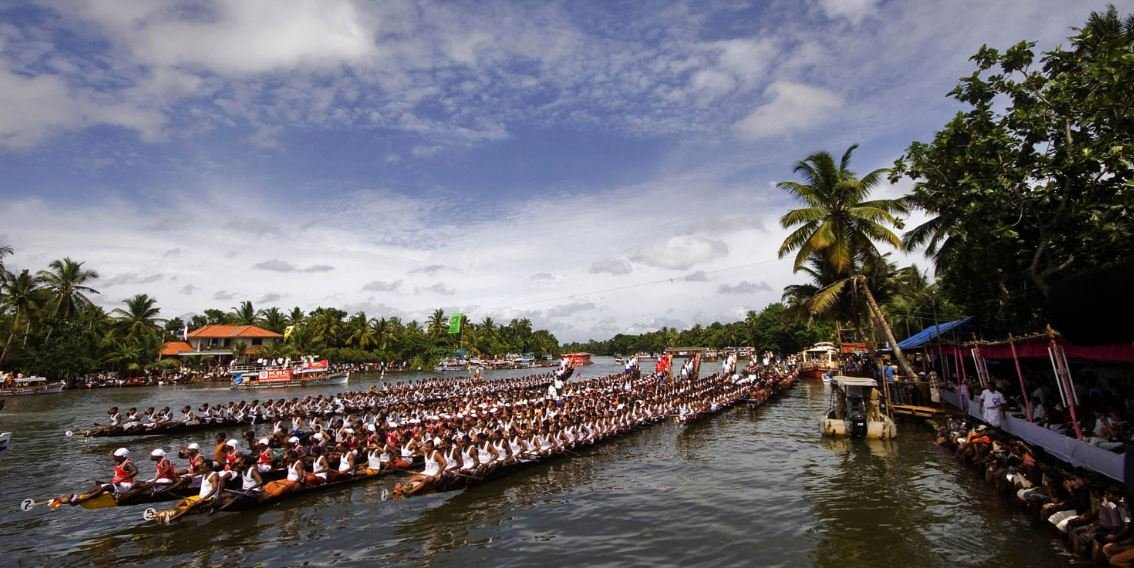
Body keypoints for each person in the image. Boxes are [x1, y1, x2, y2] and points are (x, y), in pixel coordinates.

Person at [55, 448, 138, 508]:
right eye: (114, 456)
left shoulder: (127, 463)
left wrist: (121, 480)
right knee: (97, 485)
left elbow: (135, 471)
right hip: (118, 484)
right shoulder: (120, 461)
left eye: (116, 456)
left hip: (125, 486)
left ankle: (82, 500)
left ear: (123, 456)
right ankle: (81, 496)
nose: (114, 457)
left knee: (106, 487)